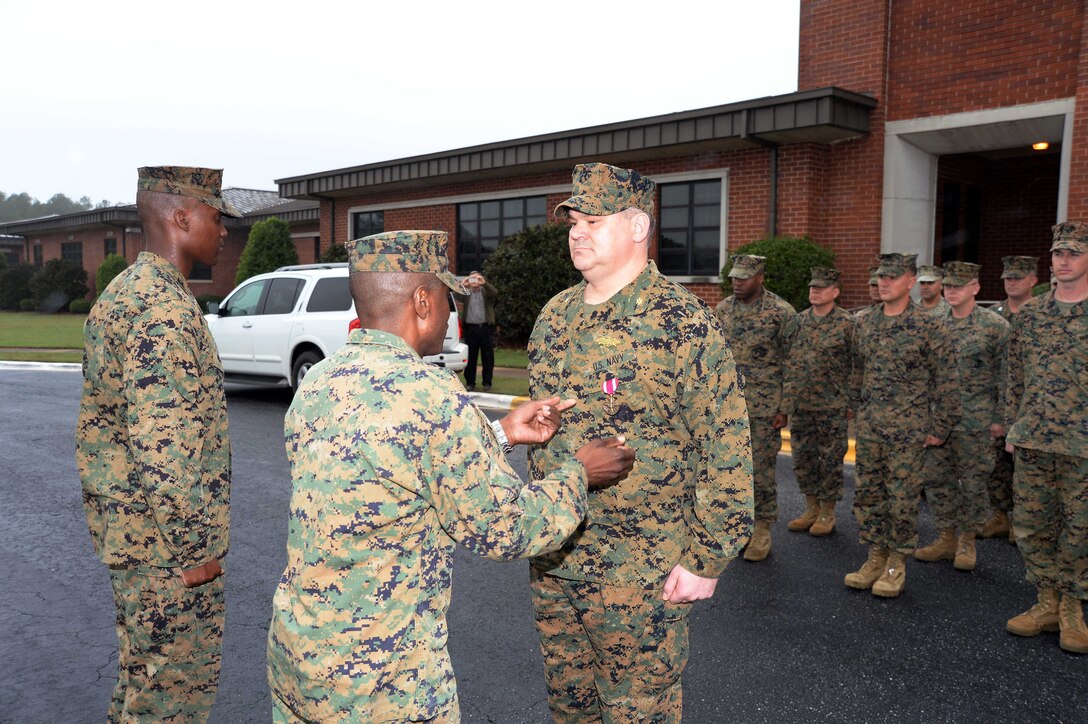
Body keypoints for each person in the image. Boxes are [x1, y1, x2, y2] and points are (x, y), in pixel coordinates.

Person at [266, 230, 636, 721]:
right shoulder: (433, 396)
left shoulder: (321, 380)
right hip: (384, 680)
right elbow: (508, 528)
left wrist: (498, 433)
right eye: (446, 299)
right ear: (422, 301)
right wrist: (580, 473)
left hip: (300, 656)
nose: (449, 313)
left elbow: (391, 468)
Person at [527, 162, 753, 721]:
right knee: (570, 708)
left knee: (638, 713)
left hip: (640, 572)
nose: (577, 231)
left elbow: (725, 446)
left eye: (593, 219)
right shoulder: (555, 316)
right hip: (557, 556)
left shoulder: (683, 323)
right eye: (573, 220)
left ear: (637, 228)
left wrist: (707, 558)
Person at [76, 166, 241, 721]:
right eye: (217, 218)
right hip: (165, 552)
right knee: (171, 701)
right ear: (181, 216)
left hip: (139, 543)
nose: (224, 232)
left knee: (142, 688)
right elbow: (163, 452)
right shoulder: (163, 311)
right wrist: (194, 551)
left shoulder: (126, 292)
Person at [847, 252, 960, 598]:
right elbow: (858, 370)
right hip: (871, 427)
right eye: (881, 276)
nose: (884, 282)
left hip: (908, 430)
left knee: (902, 498)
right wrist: (855, 410)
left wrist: (940, 426)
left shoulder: (929, 325)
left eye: (893, 277)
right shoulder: (864, 321)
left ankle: (896, 561)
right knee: (868, 494)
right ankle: (875, 556)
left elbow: (947, 379)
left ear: (911, 282)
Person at [1004, 222, 1088, 654]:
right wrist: (1012, 425)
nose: (1064, 260)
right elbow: (1014, 375)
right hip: (1034, 438)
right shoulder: (1032, 315)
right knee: (1033, 525)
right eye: (1058, 253)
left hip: (1083, 444)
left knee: (1080, 528)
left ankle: (1073, 608)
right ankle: (1045, 602)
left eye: (1073, 253)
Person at [915, 261, 1009, 572]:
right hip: (937, 418)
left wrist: (1000, 419)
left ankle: (967, 541)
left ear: (975, 288)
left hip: (976, 420)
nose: (952, 291)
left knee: (973, 483)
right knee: (937, 480)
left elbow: (1005, 377)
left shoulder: (994, 327)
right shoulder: (932, 322)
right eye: (949, 286)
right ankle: (946, 537)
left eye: (959, 286)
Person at [715, 254, 796, 560]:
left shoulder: (780, 313)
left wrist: (784, 406)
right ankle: (739, 526)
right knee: (730, 469)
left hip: (764, 407)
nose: (737, 282)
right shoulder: (723, 309)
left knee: (760, 471)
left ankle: (761, 528)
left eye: (744, 278)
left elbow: (794, 362)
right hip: (729, 406)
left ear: (760, 278)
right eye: (734, 277)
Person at [783, 266, 856, 537]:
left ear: (835, 292)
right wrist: (786, 401)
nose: (815, 291)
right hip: (802, 403)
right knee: (803, 458)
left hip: (833, 404)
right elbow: (789, 362)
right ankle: (810, 508)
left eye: (821, 288)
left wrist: (852, 400)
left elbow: (856, 364)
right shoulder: (798, 321)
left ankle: (828, 511)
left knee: (830, 460)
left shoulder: (848, 324)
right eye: (813, 287)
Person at [982, 255, 1039, 541]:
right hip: (994, 402)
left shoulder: (1040, 313)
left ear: (1033, 281)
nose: (1012, 282)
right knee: (996, 464)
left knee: (1024, 467)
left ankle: (1021, 521)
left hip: (1030, 402)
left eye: (1018, 277)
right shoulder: (993, 314)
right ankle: (1000, 516)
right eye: (1008, 278)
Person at [455, 269, 497, 391]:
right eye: (472, 279)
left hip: (485, 328)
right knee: (471, 358)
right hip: (471, 330)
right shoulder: (466, 293)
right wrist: (463, 285)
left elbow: (494, 293)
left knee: (488, 357)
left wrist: (484, 283)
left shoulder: (486, 292)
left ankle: (487, 382)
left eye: (477, 279)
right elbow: (456, 295)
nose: (474, 281)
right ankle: (470, 383)